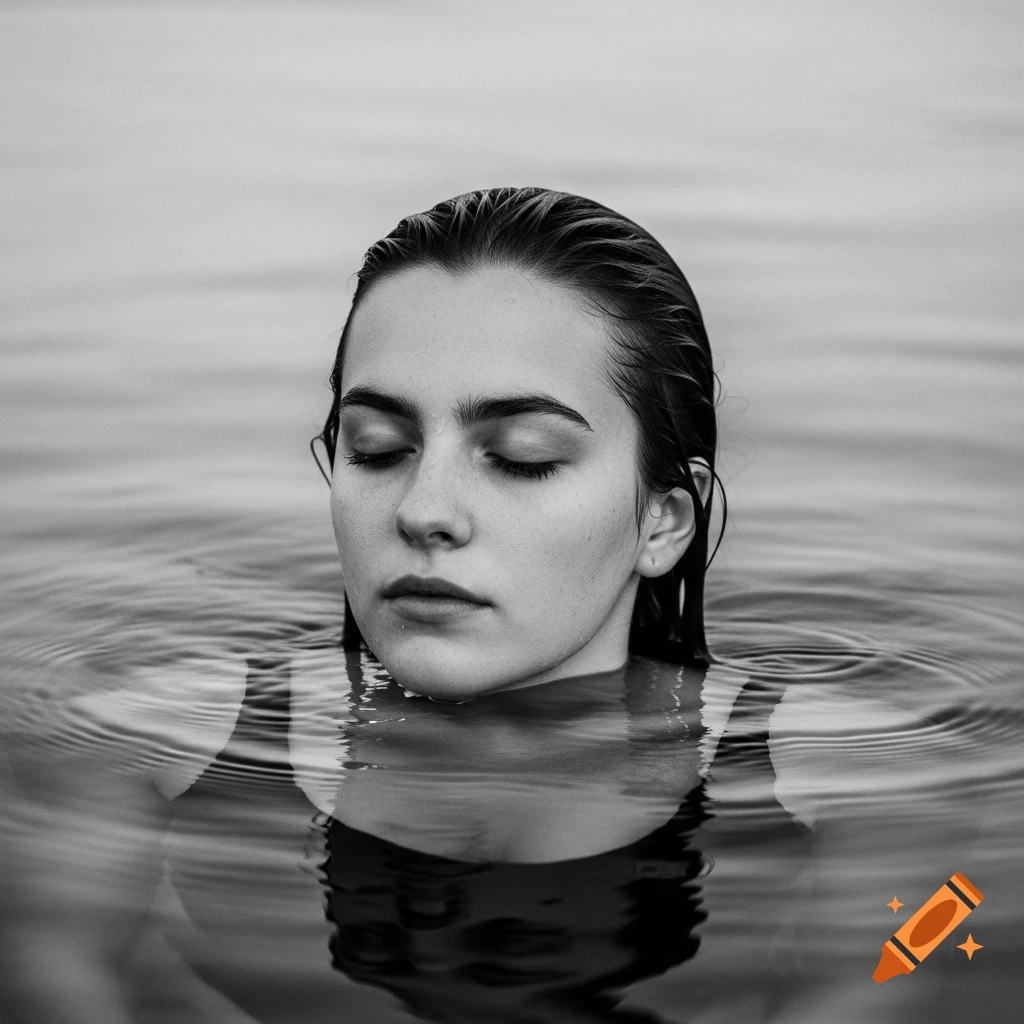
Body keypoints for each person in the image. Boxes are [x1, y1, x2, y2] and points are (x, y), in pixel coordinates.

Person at [0, 188, 827, 1024]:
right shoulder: (152, 740)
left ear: (662, 521)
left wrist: (932, 934)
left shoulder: (836, 766)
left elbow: (947, 932)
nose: (423, 510)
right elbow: (43, 969)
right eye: (378, 449)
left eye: (521, 458)